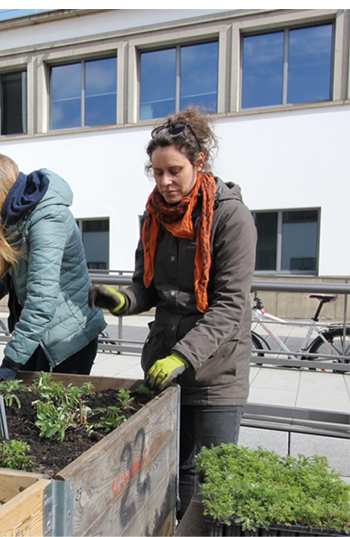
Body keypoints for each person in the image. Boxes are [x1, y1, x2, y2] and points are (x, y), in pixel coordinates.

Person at [88, 106, 257, 519]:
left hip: (216, 374)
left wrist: (183, 355)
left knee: (216, 479)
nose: (164, 182)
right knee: (173, 469)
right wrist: (122, 300)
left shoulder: (230, 217)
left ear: (199, 163)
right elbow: (147, 287)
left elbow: (231, 304)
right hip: (165, 364)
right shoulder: (155, 218)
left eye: (174, 171)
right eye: (156, 172)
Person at [0, 151, 107, 383]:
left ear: (3, 187)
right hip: (40, 335)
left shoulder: (47, 219)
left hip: (67, 341)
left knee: (54, 415)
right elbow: (7, 268)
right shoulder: (16, 216)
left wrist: (10, 363)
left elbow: (41, 300)